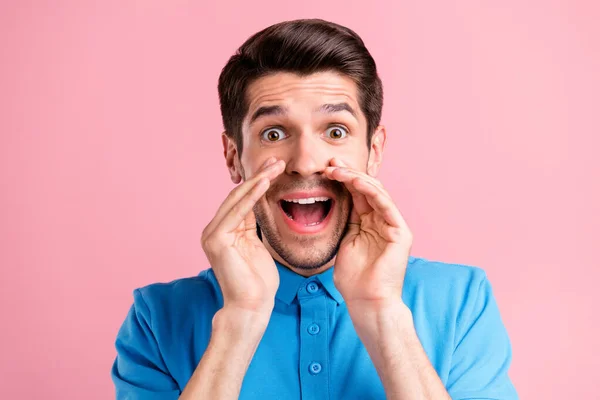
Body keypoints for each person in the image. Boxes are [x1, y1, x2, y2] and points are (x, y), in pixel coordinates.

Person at [111, 18, 518, 399]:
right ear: (234, 157)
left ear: (373, 151)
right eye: (273, 133)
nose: (306, 161)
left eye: (336, 131)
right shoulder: (158, 318)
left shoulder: (462, 302)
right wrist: (240, 319)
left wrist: (382, 315)